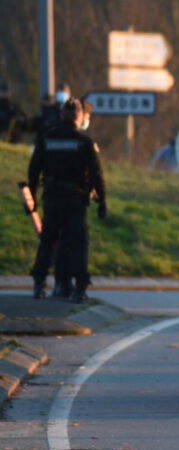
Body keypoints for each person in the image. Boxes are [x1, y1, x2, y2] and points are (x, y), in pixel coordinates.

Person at [28, 98, 107, 302]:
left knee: (48, 241)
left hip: (53, 198)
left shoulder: (47, 138)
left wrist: (33, 196)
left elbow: (34, 169)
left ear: (61, 115)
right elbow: (96, 173)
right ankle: (79, 289)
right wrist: (102, 200)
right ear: (79, 117)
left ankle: (39, 285)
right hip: (76, 200)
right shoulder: (84, 142)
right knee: (78, 243)